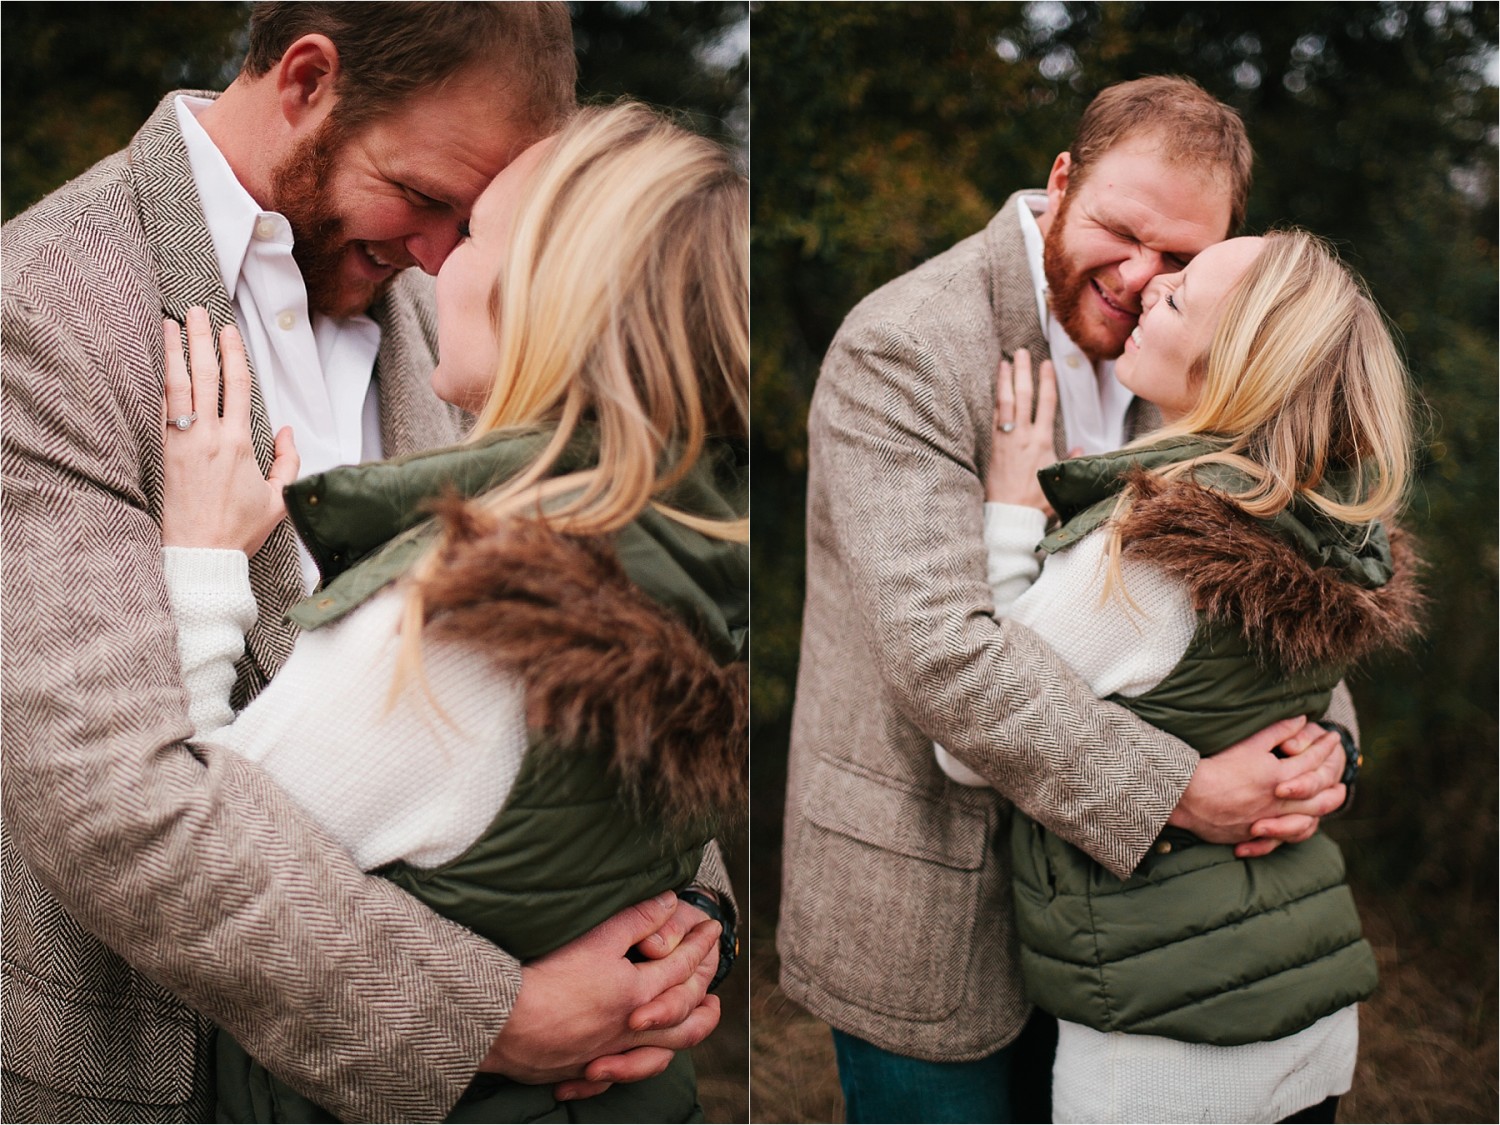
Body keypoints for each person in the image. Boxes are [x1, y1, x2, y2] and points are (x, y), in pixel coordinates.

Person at [1, 6, 727, 1122]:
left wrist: (677, 925)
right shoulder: (41, 307)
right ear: (306, 83)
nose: (441, 252)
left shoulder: (460, 312)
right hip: (144, 1074)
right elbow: (112, 801)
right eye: (432, 199)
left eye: (477, 219)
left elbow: (607, 622)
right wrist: (492, 1019)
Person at [778, 76, 1357, 1123]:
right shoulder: (907, 343)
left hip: (1137, 940)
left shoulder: (1198, 352)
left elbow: (1273, 572)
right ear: (1061, 182)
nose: (1142, 278)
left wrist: (1324, 751)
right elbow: (942, 656)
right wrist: (1180, 789)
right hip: (934, 906)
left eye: (1181, 259)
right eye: (1121, 231)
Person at [962, 231, 1419, 1122]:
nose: (1148, 287)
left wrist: (1013, 515)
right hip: (1310, 1020)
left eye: (1175, 297)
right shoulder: (1324, 529)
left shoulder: (1143, 557)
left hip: (1169, 1054)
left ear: (1231, 369)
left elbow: (976, 747)